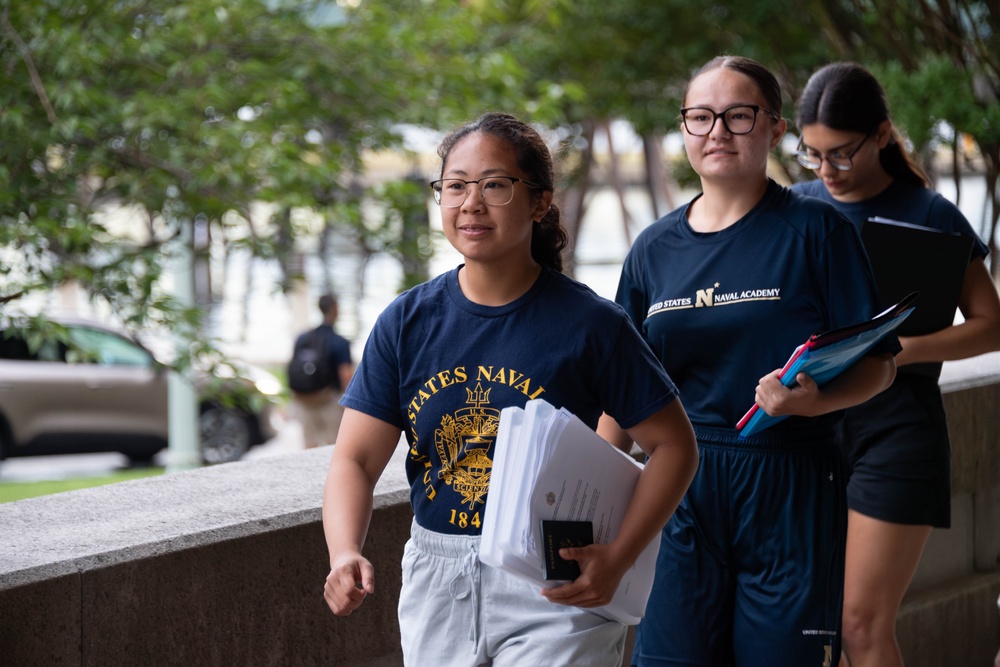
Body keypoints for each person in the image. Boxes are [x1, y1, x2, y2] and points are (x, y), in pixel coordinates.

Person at [321, 112, 698, 667]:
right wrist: (344, 551)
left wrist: (618, 557)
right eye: (455, 186)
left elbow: (674, 447)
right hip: (437, 578)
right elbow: (354, 459)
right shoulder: (406, 322)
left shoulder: (592, 324)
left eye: (495, 185)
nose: (471, 202)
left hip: (552, 580)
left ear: (539, 202)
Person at [598, 56, 899, 667]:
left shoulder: (817, 231)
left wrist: (816, 399)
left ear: (774, 128)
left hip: (790, 481)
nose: (717, 131)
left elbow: (880, 365)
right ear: (683, 129)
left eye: (738, 116)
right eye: (701, 117)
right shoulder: (653, 249)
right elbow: (622, 391)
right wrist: (594, 496)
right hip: (682, 484)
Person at [792, 61, 1000, 667]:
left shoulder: (931, 214)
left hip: (895, 434)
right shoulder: (795, 209)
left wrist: (903, 348)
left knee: (861, 624)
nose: (826, 171)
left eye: (841, 154)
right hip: (809, 431)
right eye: (812, 155)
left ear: (882, 135)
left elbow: (991, 326)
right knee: (809, 624)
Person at [291, 293, 354, 448]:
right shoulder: (339, 342)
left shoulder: (303, 338)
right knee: (334, 445)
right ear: (334, 309)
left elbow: (293, 365)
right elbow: (345, 373)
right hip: (329, 400)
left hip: (305, 399)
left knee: (309, 446)